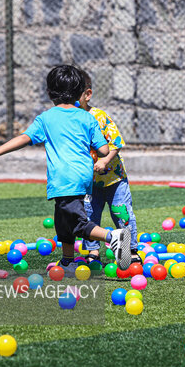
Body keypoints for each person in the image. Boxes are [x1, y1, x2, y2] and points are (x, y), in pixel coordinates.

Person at [0, 65, 131, 272]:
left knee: (76, 224)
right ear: (79, 92)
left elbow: (24, 138)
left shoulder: (46, 118)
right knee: (62, 220)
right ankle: (67, 261)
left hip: (64, 178)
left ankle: (113, 236)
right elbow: (102, 150)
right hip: (83, 178)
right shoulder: (87, 117)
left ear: (49, 93)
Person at [76, 76, 139, 265]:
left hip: (114, 178)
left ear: (88, 95)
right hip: (89, 182)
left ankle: (131, 249)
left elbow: (116, 142)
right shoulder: (70, 119)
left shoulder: (99, 116)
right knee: (89, 215)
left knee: (121, 211)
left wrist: (105, 160)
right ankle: (93, 251)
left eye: (74, 94)